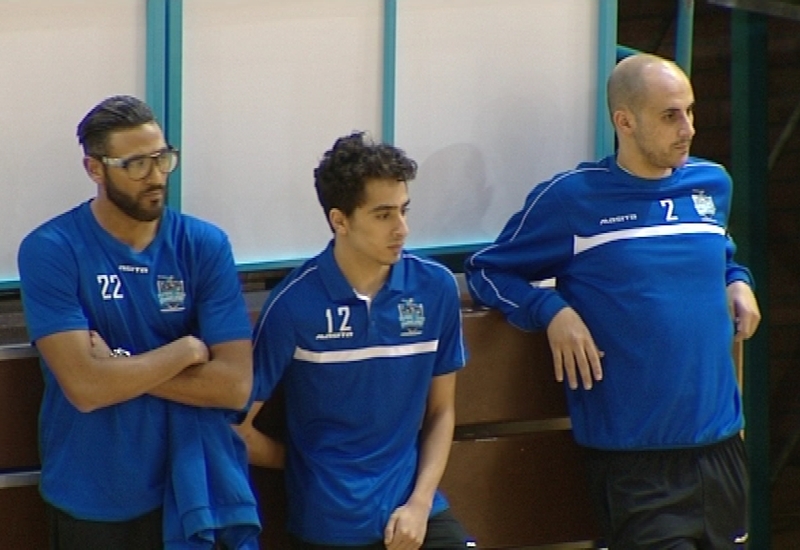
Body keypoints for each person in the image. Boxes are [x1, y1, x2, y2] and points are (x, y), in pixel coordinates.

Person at [464, 53, 761, 549]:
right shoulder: (572, 199)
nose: (687, 127)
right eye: (670, 115)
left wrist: (738, 279)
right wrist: (551, 311)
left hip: (722, 448)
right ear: (625, 121)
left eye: (689, 111)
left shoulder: (712, 184)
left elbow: (719, 253)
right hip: (635, 459)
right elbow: (487, 270)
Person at [17, 95, 259, 550]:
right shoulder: (52, 249)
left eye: (162, 159)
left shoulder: (204, 245)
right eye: (135, 164)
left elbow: (234, 386)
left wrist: (120, 369)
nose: (155, 176)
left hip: (193, 484)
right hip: (95, 492)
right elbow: (86, 389)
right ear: (95, 168)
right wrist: (183, 352)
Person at [235, 132, 474, 550]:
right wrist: (303, 466)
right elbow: (236, 429)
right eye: (383, 215)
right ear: (339, 220)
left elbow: (441, 411)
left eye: (403, 210)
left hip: (416, 512)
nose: (402, 229)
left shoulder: (434, 288)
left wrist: (418, 505)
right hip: (331, 525)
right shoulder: (293, 305)